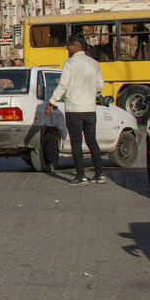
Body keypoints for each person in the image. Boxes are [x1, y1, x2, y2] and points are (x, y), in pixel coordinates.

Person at [45, 34, 106, 186]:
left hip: (74, 109)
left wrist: (51, 102)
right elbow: (100, 86)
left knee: (76, 143)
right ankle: (99, 175)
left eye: (69, 46)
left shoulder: (70, 63)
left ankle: (81, 176)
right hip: (90, 109)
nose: (67, 49)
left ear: (76, 46)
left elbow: (63, 85)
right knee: (92, 142)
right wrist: (89, 91)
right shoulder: (94, 63)